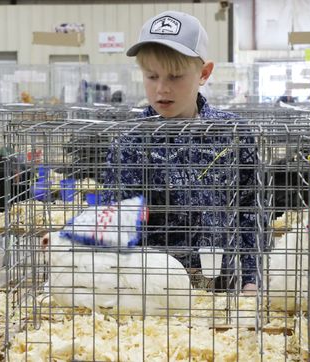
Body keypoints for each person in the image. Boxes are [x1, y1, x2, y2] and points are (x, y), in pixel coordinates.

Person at [100, 11, 259, 293]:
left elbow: (251, 210)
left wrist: (250, 278)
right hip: (152, 289)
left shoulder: (234, 134)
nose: (162, 88)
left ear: (204, 73)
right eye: (152, 76)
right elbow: (116, 225)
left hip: (224, 286)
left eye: (175, 76)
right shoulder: (129, 143)